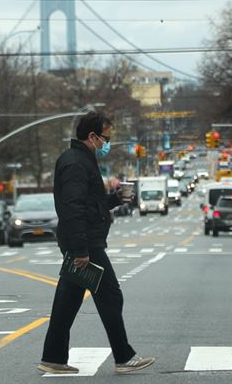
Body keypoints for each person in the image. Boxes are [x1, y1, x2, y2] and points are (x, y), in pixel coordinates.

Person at [39, 111, 155, 375]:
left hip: (83, 241)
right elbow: (73, 207)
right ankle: (123, 357)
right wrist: (80, 249)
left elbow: (90, 204)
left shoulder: (81, 160)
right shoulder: (76, 163)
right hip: (85, 244)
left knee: (67, 301)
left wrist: (114, 199)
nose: (107, 144)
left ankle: (53, 357)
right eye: (106, 138)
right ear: (91, 136)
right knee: (111, 297)